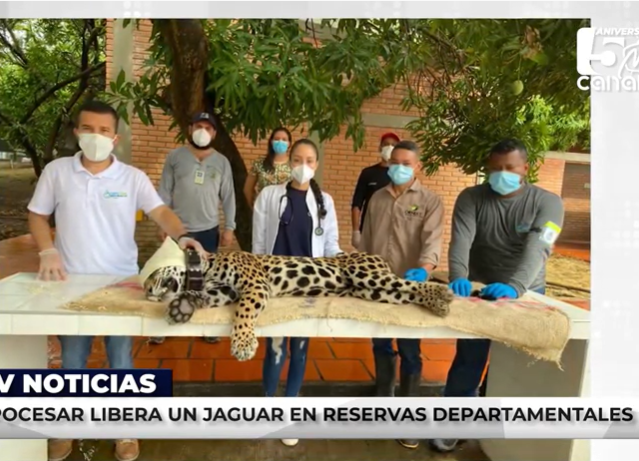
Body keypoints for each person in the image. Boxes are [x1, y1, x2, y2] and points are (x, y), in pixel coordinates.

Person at [27, 100, 205, 461]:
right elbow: (36, 215)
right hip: (70, 282)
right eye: (88, 129)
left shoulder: (132, 178)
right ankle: (67, 429)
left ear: (116, 137)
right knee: (73, 359)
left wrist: (181, 236)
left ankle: (124, 429)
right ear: (77, 132)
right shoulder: (57, 172)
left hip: (121, 282)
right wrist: (47, 251)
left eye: (104, 130)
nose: (96, 136)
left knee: (120, 357)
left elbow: (161, 212)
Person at [429, 139, 565, 453]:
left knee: (512, 361)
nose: (501, 174)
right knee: (469, 357)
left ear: (525, 168)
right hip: (478, 287)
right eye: (495, 169)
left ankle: (493, 417)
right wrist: (459, 276)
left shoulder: (548, 203)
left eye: (509, 168)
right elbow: (461, 240)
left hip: (525, 290)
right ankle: (454, 423)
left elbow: (539, 247)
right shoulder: (471, 197)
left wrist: (516, 287)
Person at [252, 138, 342, 447]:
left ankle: (290, 408)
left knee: (300, 349)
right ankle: (268, 405)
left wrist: (342, 268)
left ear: (316, 165)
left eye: (310, 160)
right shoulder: (269, 195)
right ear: (290, 161)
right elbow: (258, 244)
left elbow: (330, 245)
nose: (304, 165)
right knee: (275, 348)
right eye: (298, 159)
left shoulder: (324, 202)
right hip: (275, 284)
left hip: (308, 286)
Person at [359, 140, 445, 450]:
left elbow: (432, 240)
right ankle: (384, 399)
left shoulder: (430, 201)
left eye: (406, 162)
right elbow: (367, 241)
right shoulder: (377, 198)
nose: (399, 167)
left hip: (410, 288)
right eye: (395, 161)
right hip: (378, 285)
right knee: (380, 342)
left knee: (409, 348)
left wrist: (425, 268)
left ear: (417, 166)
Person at [148, 112, 235, 345]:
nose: (203, 131)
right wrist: (162, 223)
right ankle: (162, 324)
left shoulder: (222, 162)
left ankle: (208, 326)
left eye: (208, 127)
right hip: (178, 230)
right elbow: (164, 191)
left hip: (208, 229)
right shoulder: (175, 157)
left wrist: (230, 227)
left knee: (207, 279)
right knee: (171, 275)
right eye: (199, 125)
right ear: (190, 128)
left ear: (214, 133)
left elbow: (228, 197)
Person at [350, 132, 399, 249]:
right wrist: (356, 231)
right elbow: (357, 204)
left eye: (393, 145)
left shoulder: (400, 175)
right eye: (386, 144)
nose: (389, 147)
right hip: (369, 230)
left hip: (393, 233)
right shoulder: (368, 173)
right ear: (380, 147)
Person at [244, 127, 294, 207]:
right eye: (277, 139)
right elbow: (247, 189)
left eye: (284, 139)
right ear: (271, 142)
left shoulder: (294, 165)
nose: (280, 142)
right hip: (264, 209)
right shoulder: (259, 163)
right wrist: (253, 207)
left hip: (287, 210)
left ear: (289, 143)